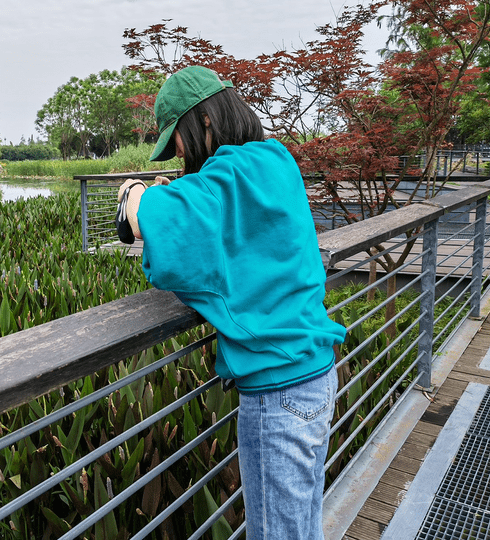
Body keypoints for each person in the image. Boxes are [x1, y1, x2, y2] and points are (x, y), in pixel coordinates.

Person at [115, 66, 346, 540]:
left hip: (278, 393)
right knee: (300, 528)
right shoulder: (275, 159)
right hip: (316, 373)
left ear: (202, 122)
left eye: (174, 138)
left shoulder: (230, 173)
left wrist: (134, 192)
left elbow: (156, 223)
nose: (177, 152)